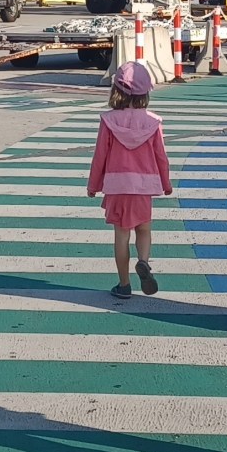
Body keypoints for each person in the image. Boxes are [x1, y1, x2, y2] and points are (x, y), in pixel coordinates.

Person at [88, 62, 172, 299]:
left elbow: (100, 156)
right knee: (144, 229)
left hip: (117, 186)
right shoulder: (152, 122)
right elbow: (161, 156)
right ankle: (143, 261)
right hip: (144, 186)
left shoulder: (109, 120)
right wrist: (166, 184)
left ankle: (124, 284)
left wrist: (93, 185)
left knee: (121, 235)